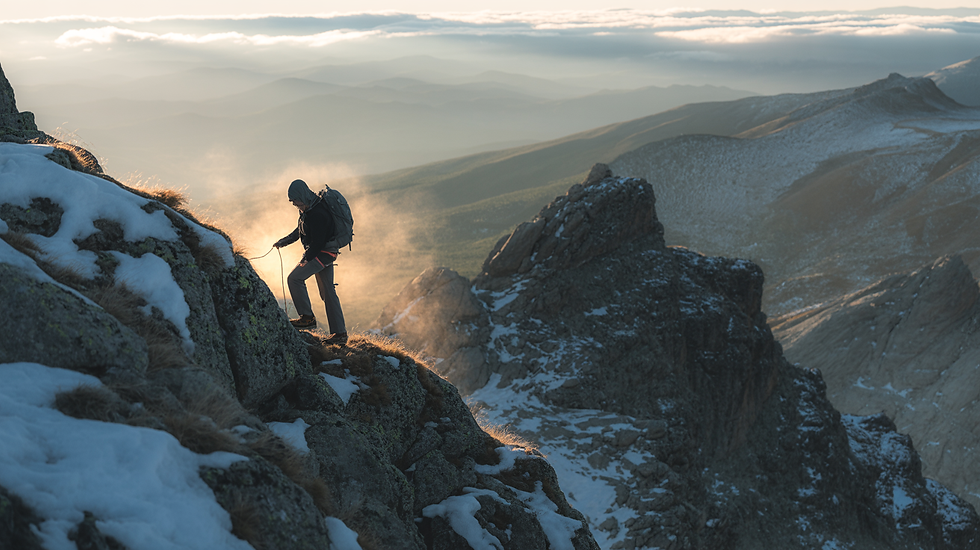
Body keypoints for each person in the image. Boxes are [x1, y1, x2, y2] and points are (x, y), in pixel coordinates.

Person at [274, 179, 348, 344]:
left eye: (295, 200)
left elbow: (318, 243)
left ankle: (307, 317)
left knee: (294, 279)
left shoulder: (317, 213)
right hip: (327, 253)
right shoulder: (309, 208)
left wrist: (305, 260)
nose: (294, 204)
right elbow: (301, 229)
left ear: (302, 195)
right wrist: (284, 241)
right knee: (328, 292)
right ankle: (340, 335)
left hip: (322, 253)